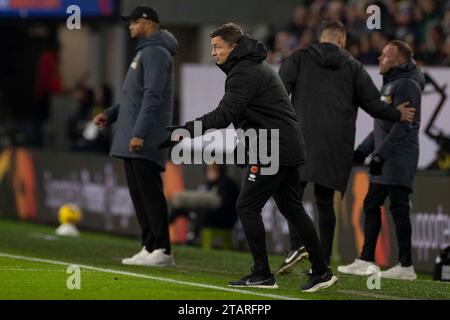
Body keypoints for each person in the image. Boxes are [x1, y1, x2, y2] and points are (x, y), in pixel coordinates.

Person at [160, 23, 337, 292]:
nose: (214, 52)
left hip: (273, 147)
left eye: (218, 47)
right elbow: (251, 116)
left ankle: (263, 274)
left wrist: (184, 131)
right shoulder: (250, 67)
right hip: (283, 145)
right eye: (212, 47)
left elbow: (224, 115)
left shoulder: (244, 72)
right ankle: (322, 271)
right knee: (292, 208)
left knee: (247, 206)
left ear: (234, 46)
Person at [276, 20, 416, 274]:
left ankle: (297, 246)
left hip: (300, 139)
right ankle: (323, 261)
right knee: (325, 202)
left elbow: (278, 91)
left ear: (322, 38)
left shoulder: (299, 58)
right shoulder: (353, 66)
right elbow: (373, 104)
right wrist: (397, 114)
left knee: (292, 197)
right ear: (341, 40)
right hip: (335, 144)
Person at [93, 6, 178, 267]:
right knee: (139, 194)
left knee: (150, 193)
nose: (129, 25)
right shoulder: (145, 51)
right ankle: (149, 245)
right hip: (131, 135)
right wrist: (110, 114)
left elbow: (153, 97)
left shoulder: (155, 52)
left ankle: (162, 249)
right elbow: (134, 98)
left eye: (132, 22)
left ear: (146, 22)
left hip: (144, 137)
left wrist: (140, 133)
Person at [338, 40, 424, 280]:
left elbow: (403, 127)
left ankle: (405, 266)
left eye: (385, 55)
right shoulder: (393, 83)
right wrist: (363, 151)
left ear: (399, 60)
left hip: (399, 157)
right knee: (372, 205)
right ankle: (367, 259)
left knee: (397, 208)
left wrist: (379, 154)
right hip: (387, 157)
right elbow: (382, 126)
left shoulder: (407, 85)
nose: (380, 58)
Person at [168, 164, 239, 246]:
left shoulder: (227, 184)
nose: (211, 173)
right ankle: (160, 231)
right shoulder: (208, 184)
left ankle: (191, 238)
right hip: (205, 214)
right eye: (209, 171)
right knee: (179, 209)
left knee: (202, 212)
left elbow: (224, 204)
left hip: (224, 218)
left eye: (214, 171)